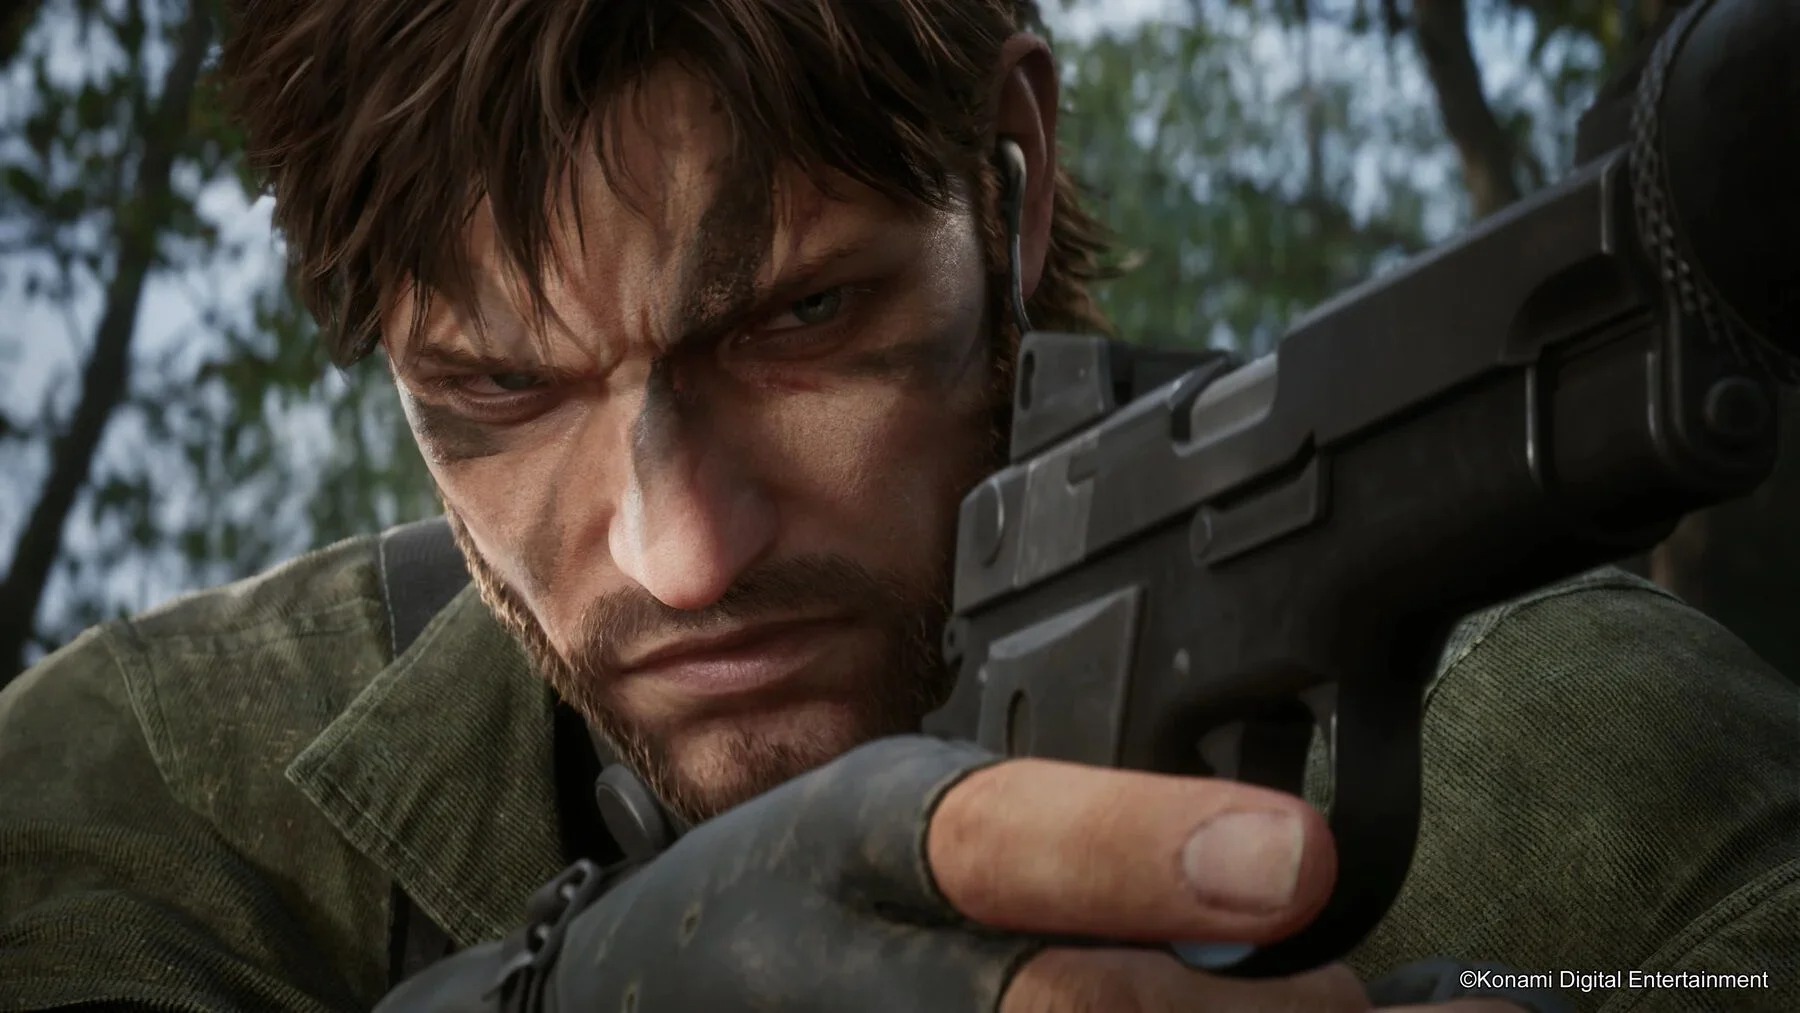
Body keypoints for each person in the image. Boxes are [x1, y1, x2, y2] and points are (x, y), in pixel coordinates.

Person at [1, 1, 1795, 1010]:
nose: (682, 554)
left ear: (1009, 182)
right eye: (499, 393)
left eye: (799, 320)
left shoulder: (1587, 752)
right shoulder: (161, 775)